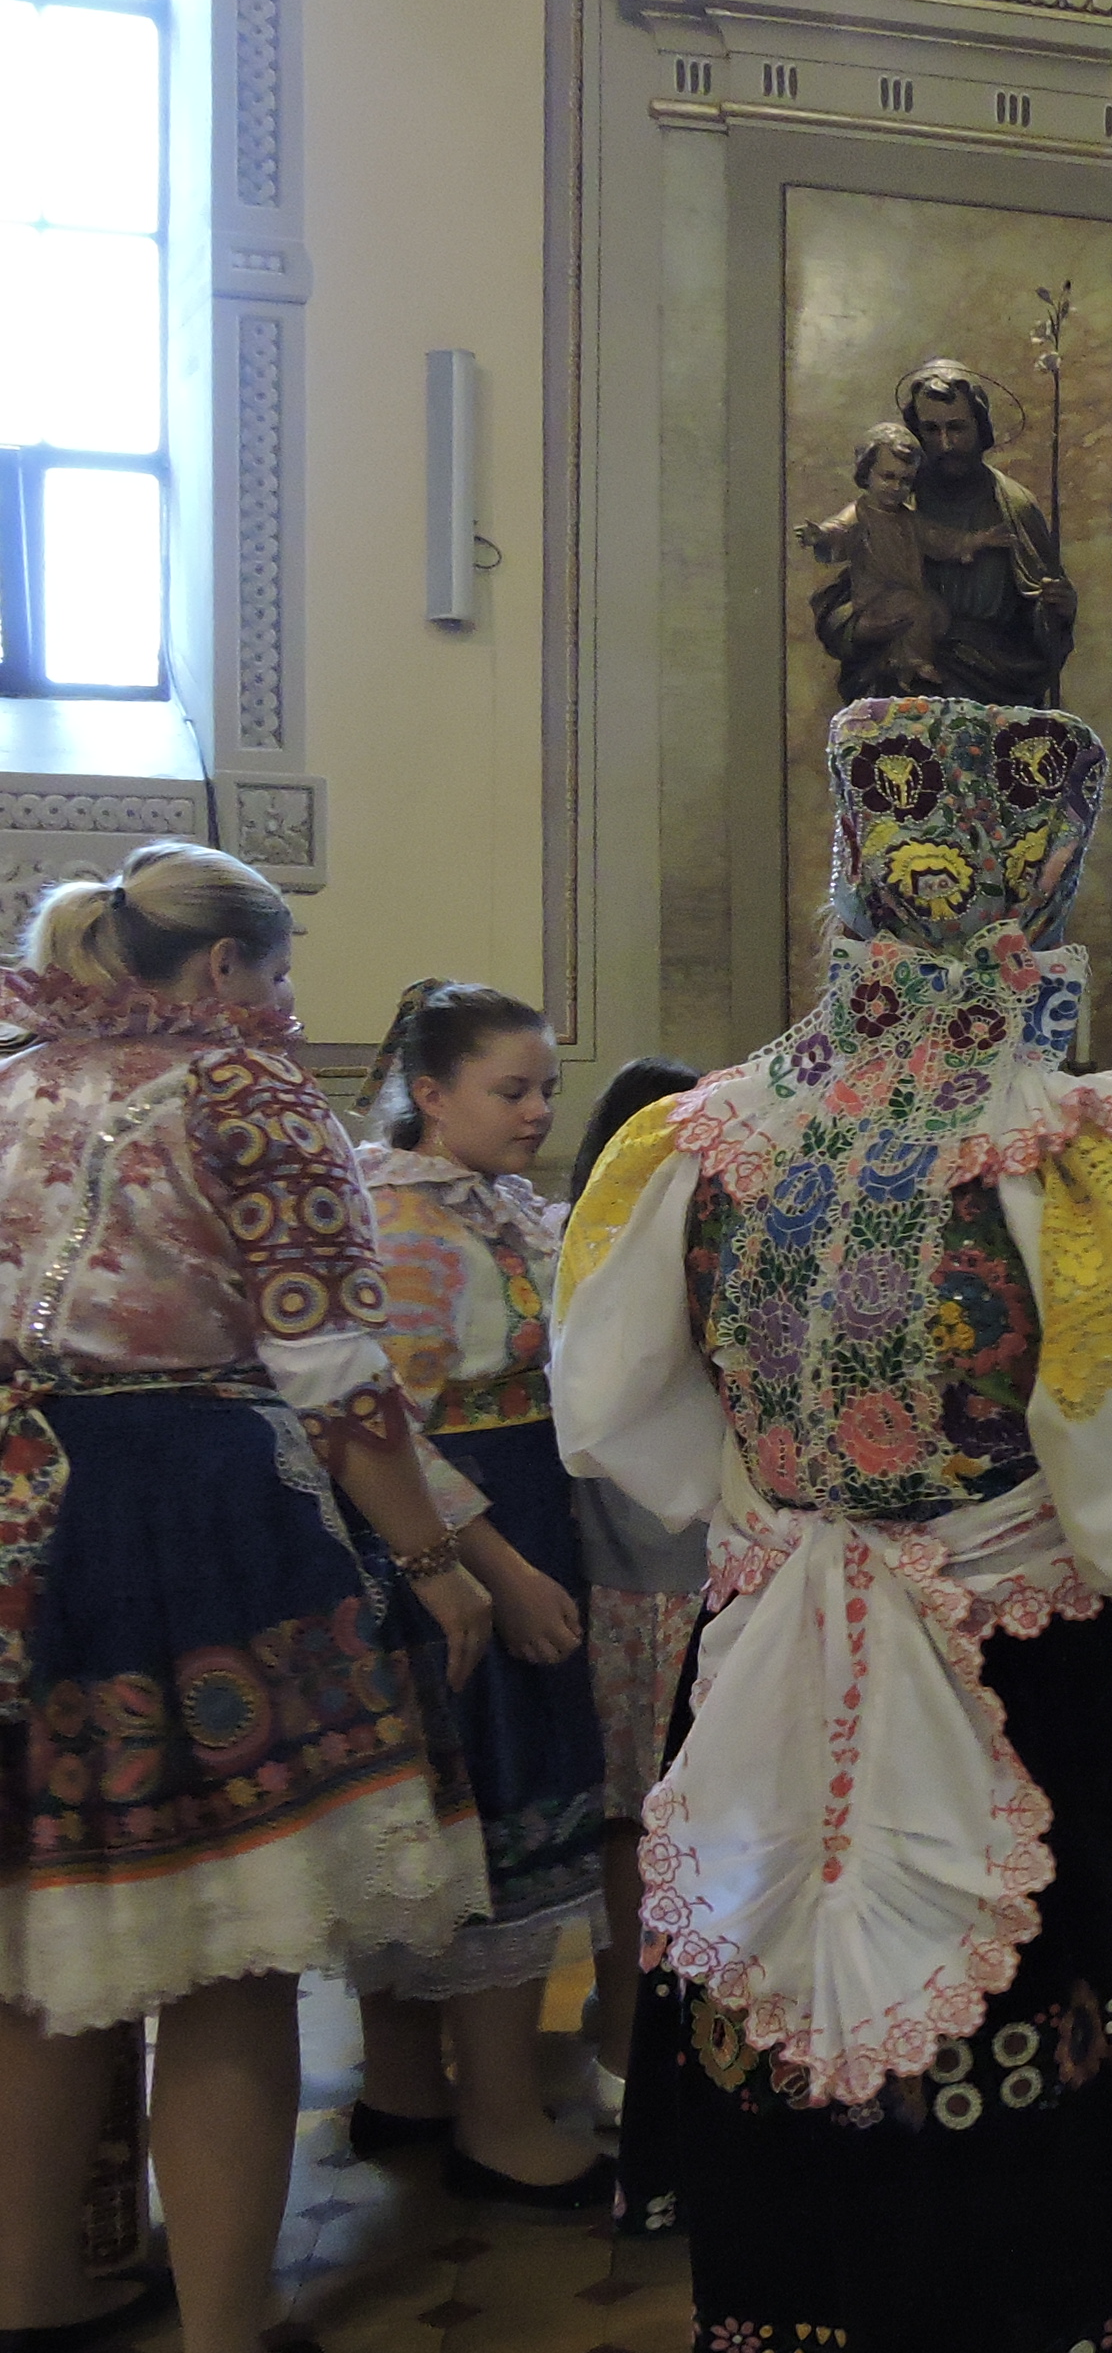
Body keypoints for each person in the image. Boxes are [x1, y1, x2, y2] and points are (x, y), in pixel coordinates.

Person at [558, 696, 1112, 2350]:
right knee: (1099, 2143)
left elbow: (630, 1424)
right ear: (1050, 885)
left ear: (845, 870)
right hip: (1067, 1704)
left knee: (810, 2065)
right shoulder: (1096, 1165)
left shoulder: (702, 1149)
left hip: (777, 1673)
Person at [0, 842, 494, 2353]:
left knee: (39, 1944)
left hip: (15, 1509)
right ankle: (225, 2324)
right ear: (225, 967)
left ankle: (33, 2295)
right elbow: (335, 1370)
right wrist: (435, 1564)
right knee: (227, 1952)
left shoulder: (11, 1078)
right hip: (191, 1517)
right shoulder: (249, 1094)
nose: (281, 1002)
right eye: (278, 972)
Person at [339, 982, 615, 2207]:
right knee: (492, 1806)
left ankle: (406, 2087)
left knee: (444, 1810)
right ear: (430, 1093)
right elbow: (389, 1427)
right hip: (465, 1533)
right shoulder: (401, 1220)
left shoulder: (495, 1207)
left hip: (512, 1506)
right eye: (511, 1090)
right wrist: (500, 1572)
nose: (538, 1110)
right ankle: (497, 2118)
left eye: (546, 1087)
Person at [561, 1055, 706, 2117]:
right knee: (650, 1825)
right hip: (659, 1579)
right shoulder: (642, 1258)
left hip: (628, 1578)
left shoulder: (579, 1247)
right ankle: (630, 2043)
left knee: (640, 1822)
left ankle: (633, 2029)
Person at [813, 359, 1078, 707]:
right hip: (903, 687)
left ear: (980, 428)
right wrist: (860, 627)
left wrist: (1058, 610)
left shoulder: (1014, 507)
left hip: (992, 684)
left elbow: (1040, 626)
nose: (946, 443)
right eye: (931, 430)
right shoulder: (896, 500)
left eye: (957, 428)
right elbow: (844, 600)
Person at [793, 421, 1019, 693]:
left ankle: (900, 656)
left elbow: (939, 538)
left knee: (935, 612)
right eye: (888, 477)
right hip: (875, 597)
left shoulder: (909, 519)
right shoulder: (860, 514)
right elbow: (839, 530)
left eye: (905, 481)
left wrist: (977, 540)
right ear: (866, 473)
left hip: (908, 592)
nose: (895, 487)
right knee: (915, 608)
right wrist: (820, 535)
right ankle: (912, 662)